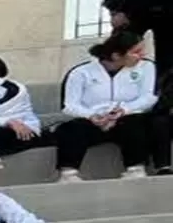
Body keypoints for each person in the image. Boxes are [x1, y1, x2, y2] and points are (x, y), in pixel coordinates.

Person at [56, 35, 164, 180]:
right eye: (136, 52)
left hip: (127, 117)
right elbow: (69, 105)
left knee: (136, 124)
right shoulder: (81, 72)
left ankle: (135, 169)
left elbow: (149, 97)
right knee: (70, 128)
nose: (142, 55)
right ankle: (68, 174)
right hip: (94, 120)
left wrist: (124, 110)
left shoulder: (146, 67)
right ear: (116, 56)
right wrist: (91, 116)